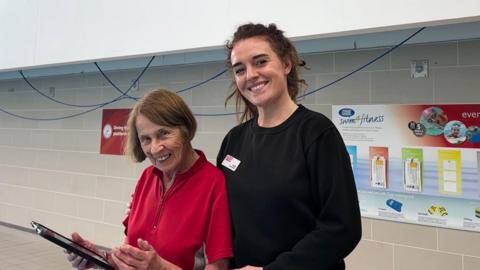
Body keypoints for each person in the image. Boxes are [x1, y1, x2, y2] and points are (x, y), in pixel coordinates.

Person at [216, 23, 362, 270]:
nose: (250, 74)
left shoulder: (317, 133)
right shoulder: (234, 140)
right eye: (240, 69)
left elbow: (342, 228)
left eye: (260, 62)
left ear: (286, 64)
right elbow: (217, 212)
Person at [66, 89, 233, 270]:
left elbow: (218, 267)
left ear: (185, 130)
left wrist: (161, 268)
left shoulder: (213, 183)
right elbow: (129, 256)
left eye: (164, 134)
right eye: (146, 139)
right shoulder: (147, 177)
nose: (154, 148)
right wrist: (98, 258)